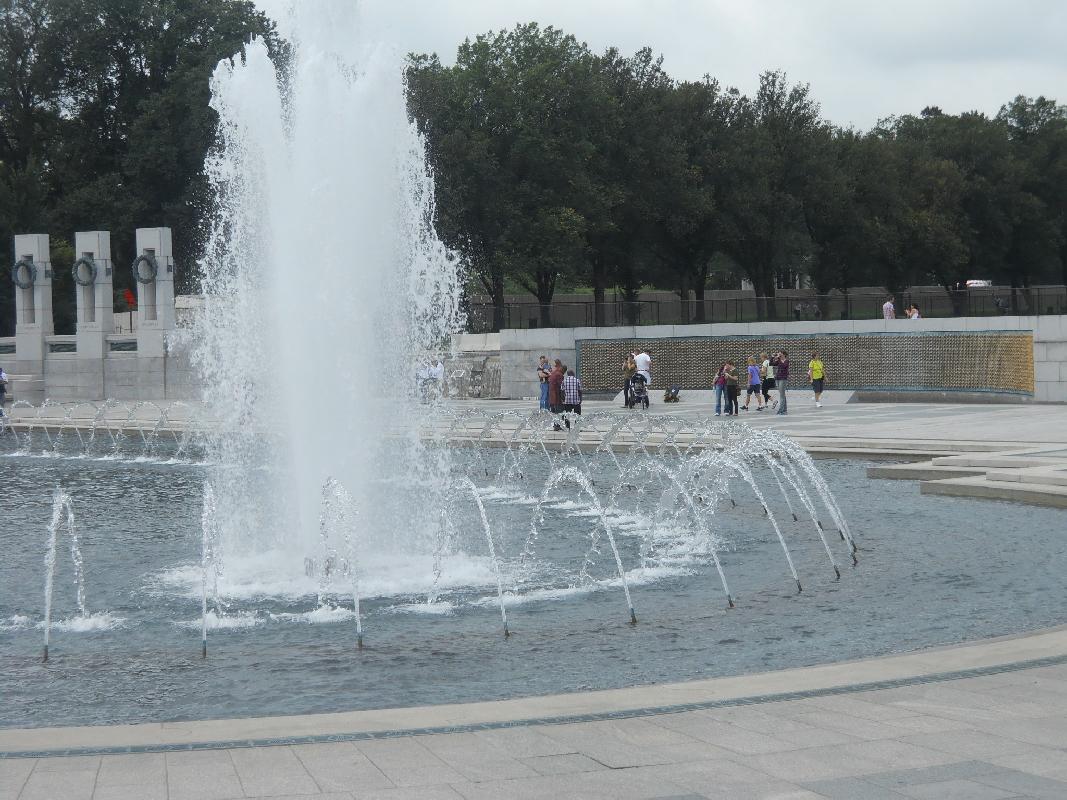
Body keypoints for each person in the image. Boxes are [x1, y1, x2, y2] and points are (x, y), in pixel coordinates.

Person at [548, 359, 565, 430]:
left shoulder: (553, 373)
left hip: (551, 397)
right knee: (560, 411)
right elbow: (561, 387)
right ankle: (557, 425)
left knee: (554, 412)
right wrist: (563, 397)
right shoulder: (559, 374)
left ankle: (556, 425)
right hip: (557, 396)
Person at [771, 350, 789, 415]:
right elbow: (771, 364)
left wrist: (778, 358)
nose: (779, 355)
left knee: (781, 395)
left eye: (780, 354)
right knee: (782, 394)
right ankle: (785, 410)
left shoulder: (786, 361)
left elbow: (784, 366)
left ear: (784, 355)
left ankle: (781, 410)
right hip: (778, 378)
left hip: (783, 379)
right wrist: (773, 357)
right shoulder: (778, 361)